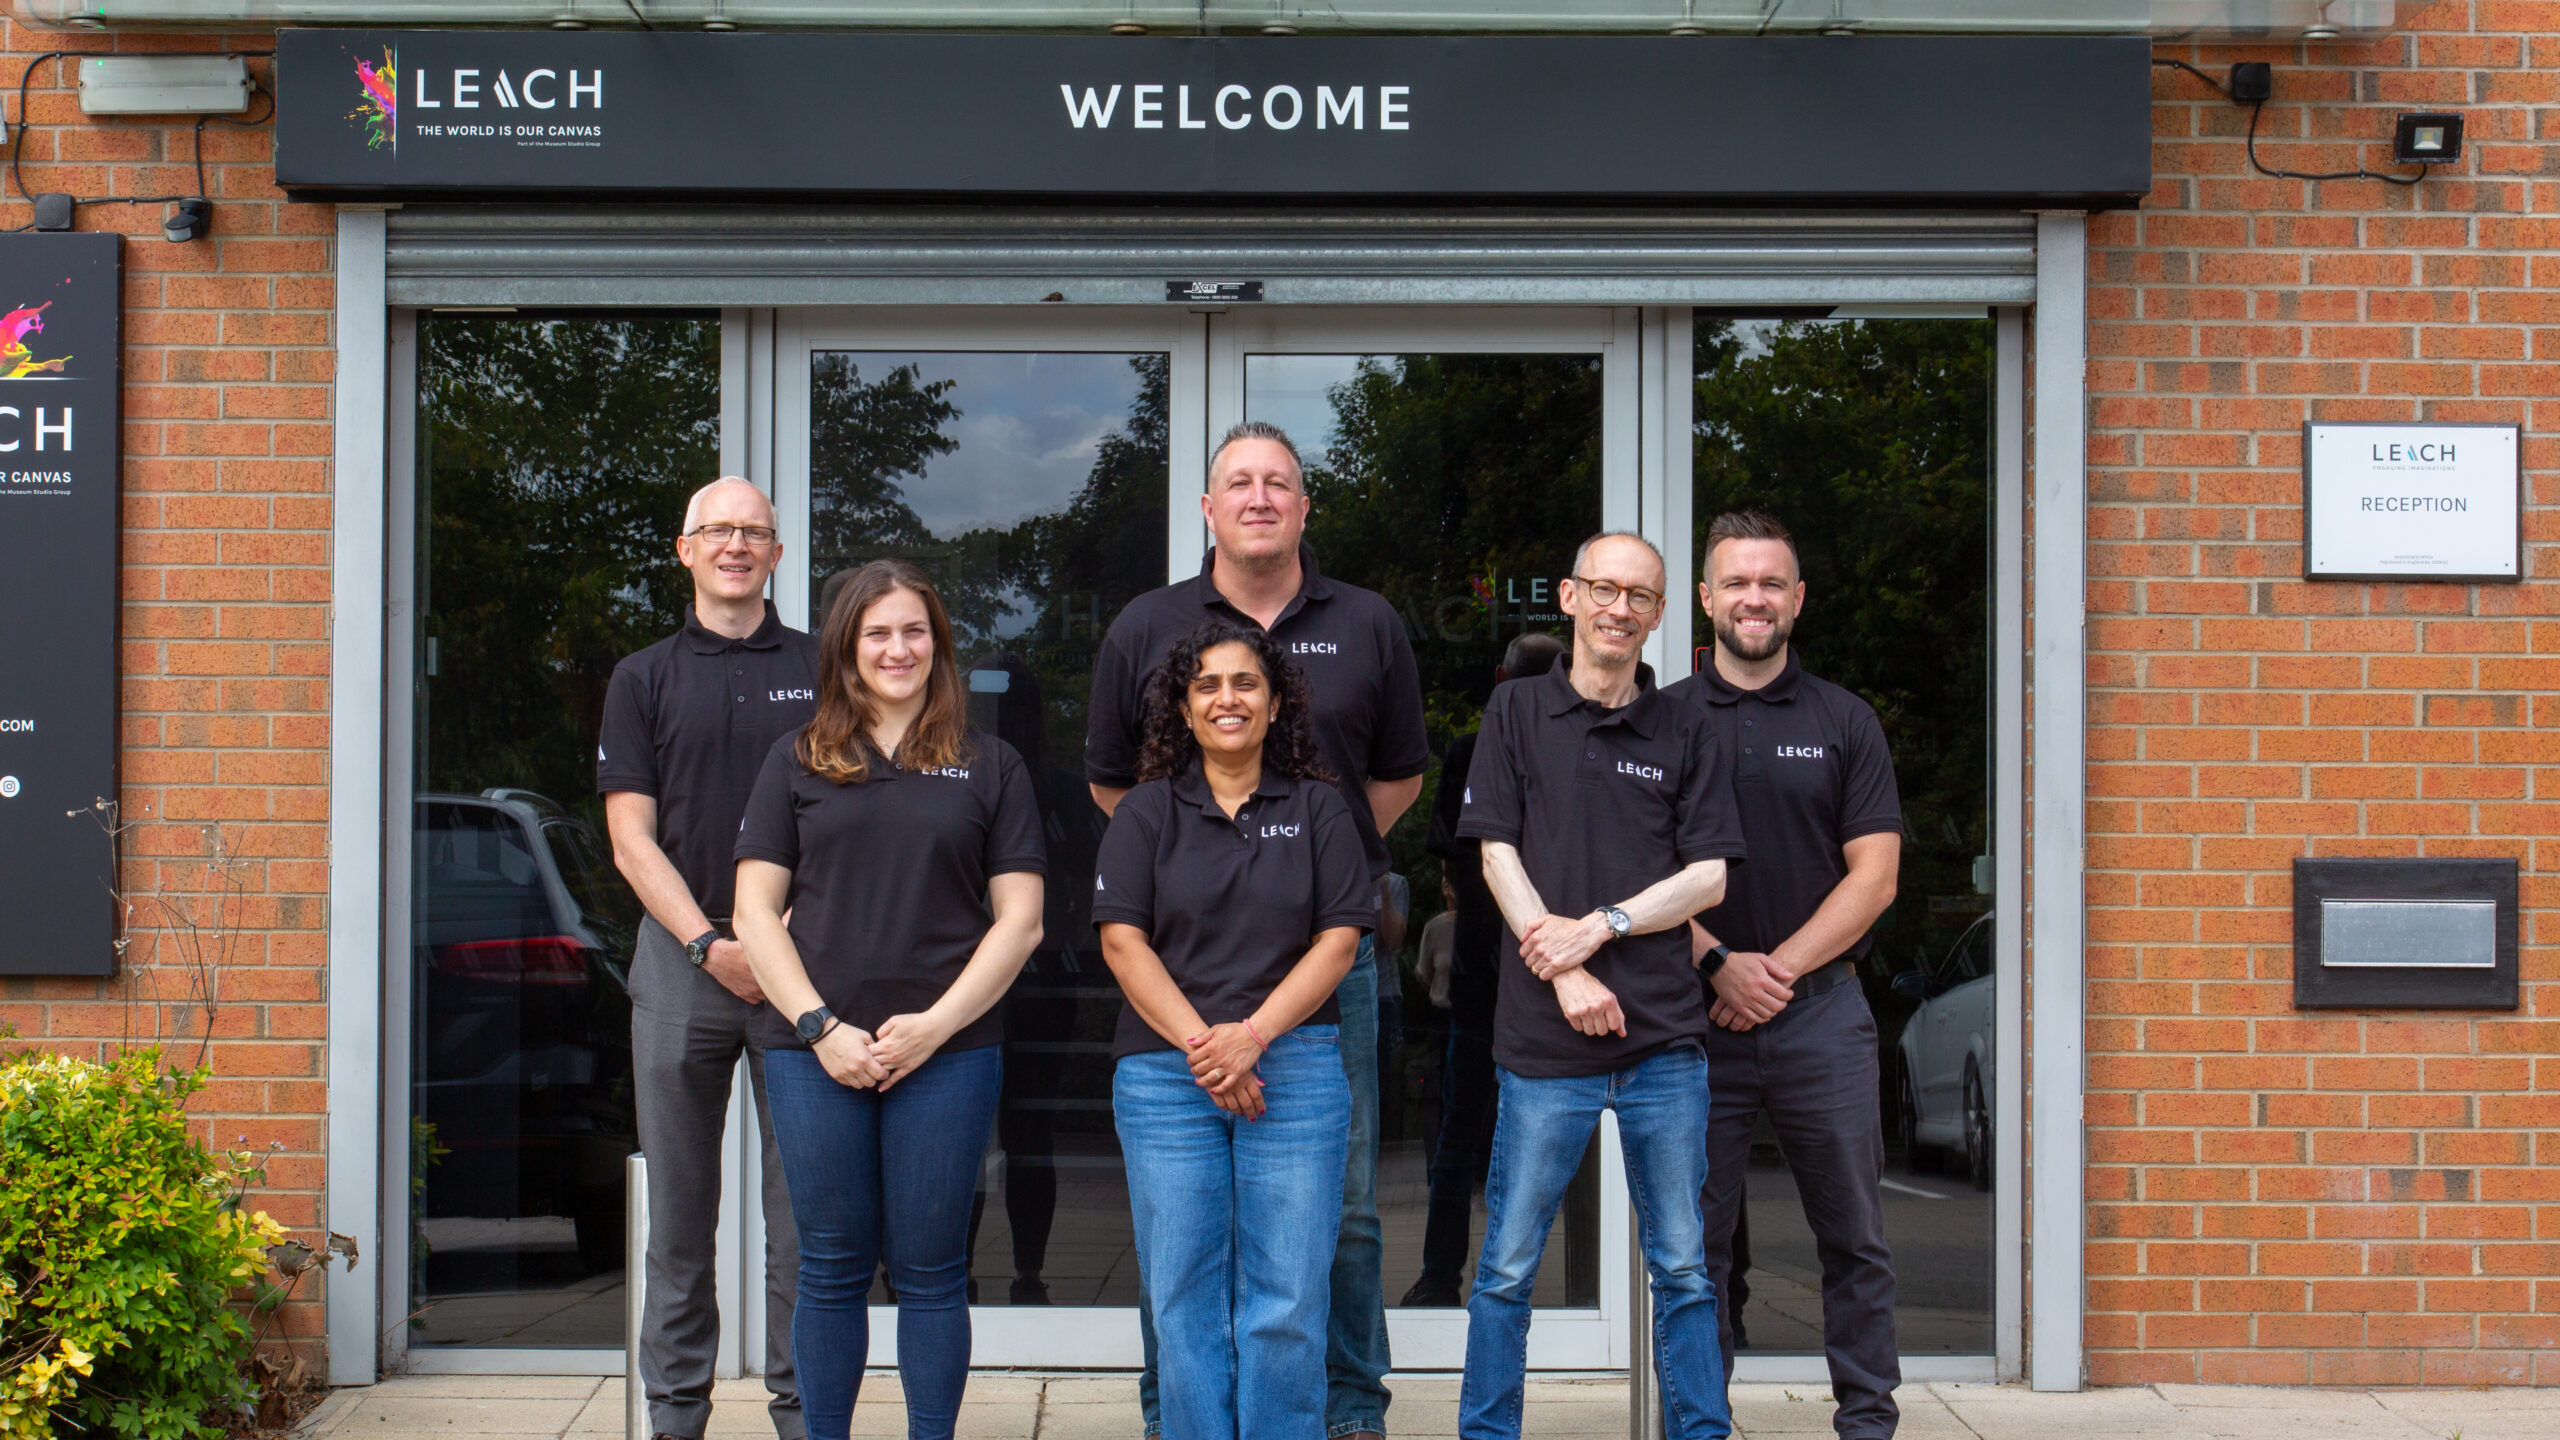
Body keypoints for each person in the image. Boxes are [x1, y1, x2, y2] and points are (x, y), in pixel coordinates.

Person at [1086, 421, 1428, 1440]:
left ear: (1304, 506)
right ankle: (1175, 1416)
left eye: (1279, 481)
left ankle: (1349, 1409)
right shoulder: (1146, 625)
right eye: (1238, 481)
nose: (1259, 497)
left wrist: (1306, 865)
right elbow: (1112, 782)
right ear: (1207, 507)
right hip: (1178, 999)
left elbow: (1399, 776)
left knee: (1345, 1212)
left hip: (1325, 973)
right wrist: (1196, 860)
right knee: (1182, 1255)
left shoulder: (1366, 623)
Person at [731, 559, 1047, 1440]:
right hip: (813, 1054)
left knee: (931, 1268)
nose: (897, 648)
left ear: (938, 646)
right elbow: (754, 911)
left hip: (949, 1053)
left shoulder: (993, 765)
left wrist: (936, 1028)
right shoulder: (795, 758)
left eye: (914, 631)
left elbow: (1019, 922)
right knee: (830, 1264)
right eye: (877, 632)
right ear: (846, 648)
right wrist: (818, 1025)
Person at [1455, 532, 1746, 1440]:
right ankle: (1486, 1433)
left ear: (1662, 615)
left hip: (1663, 1040)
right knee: (1506, 1266)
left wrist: (1606, 924)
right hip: (1544, 1044)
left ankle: (1700, 1433)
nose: (1621, 608)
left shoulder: (1685, 725)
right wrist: (1568, 966)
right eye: (1605, 589)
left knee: (1686, 1269)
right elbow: (1495, 852)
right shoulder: (1514, 716)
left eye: (1641, 596)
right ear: (1571, 599)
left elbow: (1710, 879)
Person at [1094, 622, 1378, 1440]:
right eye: (1208, 686)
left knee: (1288, 1293)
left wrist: (1251, 1037)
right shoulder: (1146, 811)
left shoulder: (1320, 807)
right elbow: (1123, 941)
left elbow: (1339, 941)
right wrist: (1210, 1051)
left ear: (1276, 701)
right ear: (1183, 709)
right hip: (1164, 1076)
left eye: (1246, 683)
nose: (1228, 699)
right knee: (1182, 1292)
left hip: (1294, 1065)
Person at [1667, 511, 1904, 1440]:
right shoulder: (1663, 718)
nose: (1754, 598)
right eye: (1736, 582)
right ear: (1706, 598)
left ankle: (1868, 1423)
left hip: (1821, 1017)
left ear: (1797, 600)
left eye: (1772, 583)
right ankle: (1701, 1422)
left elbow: (1876, 876)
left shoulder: (1844, 720)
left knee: (1853, 1237)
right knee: (1698, 1252)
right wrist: (1718, 963)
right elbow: (1631, 876)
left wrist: (1776, 971)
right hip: (1692, 1022)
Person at [601, 477, 812, 1440]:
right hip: (682, 966)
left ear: (776, 554)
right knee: (680, 1221)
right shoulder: (642, 677)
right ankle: (676, 1418)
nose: (736, 545)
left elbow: (855, 817)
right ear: (683, 549)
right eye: (717, 530)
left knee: (804, 1223)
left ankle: (806, 1411)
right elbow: (630, 839)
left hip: (805, 970)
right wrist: (709, 943)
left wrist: (771, 944)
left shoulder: (826, 669)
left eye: (753, 532)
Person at [1400, 629, 1565, 1309]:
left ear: (1500, 676)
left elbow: (1450, 854)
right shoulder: (1553, 751)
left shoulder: (1474, 751)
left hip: (1493, 969)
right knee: (1520, 1139)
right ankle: (1500, 1283)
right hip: (1534, 970)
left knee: (1463, 1137)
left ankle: (1444, 1275)